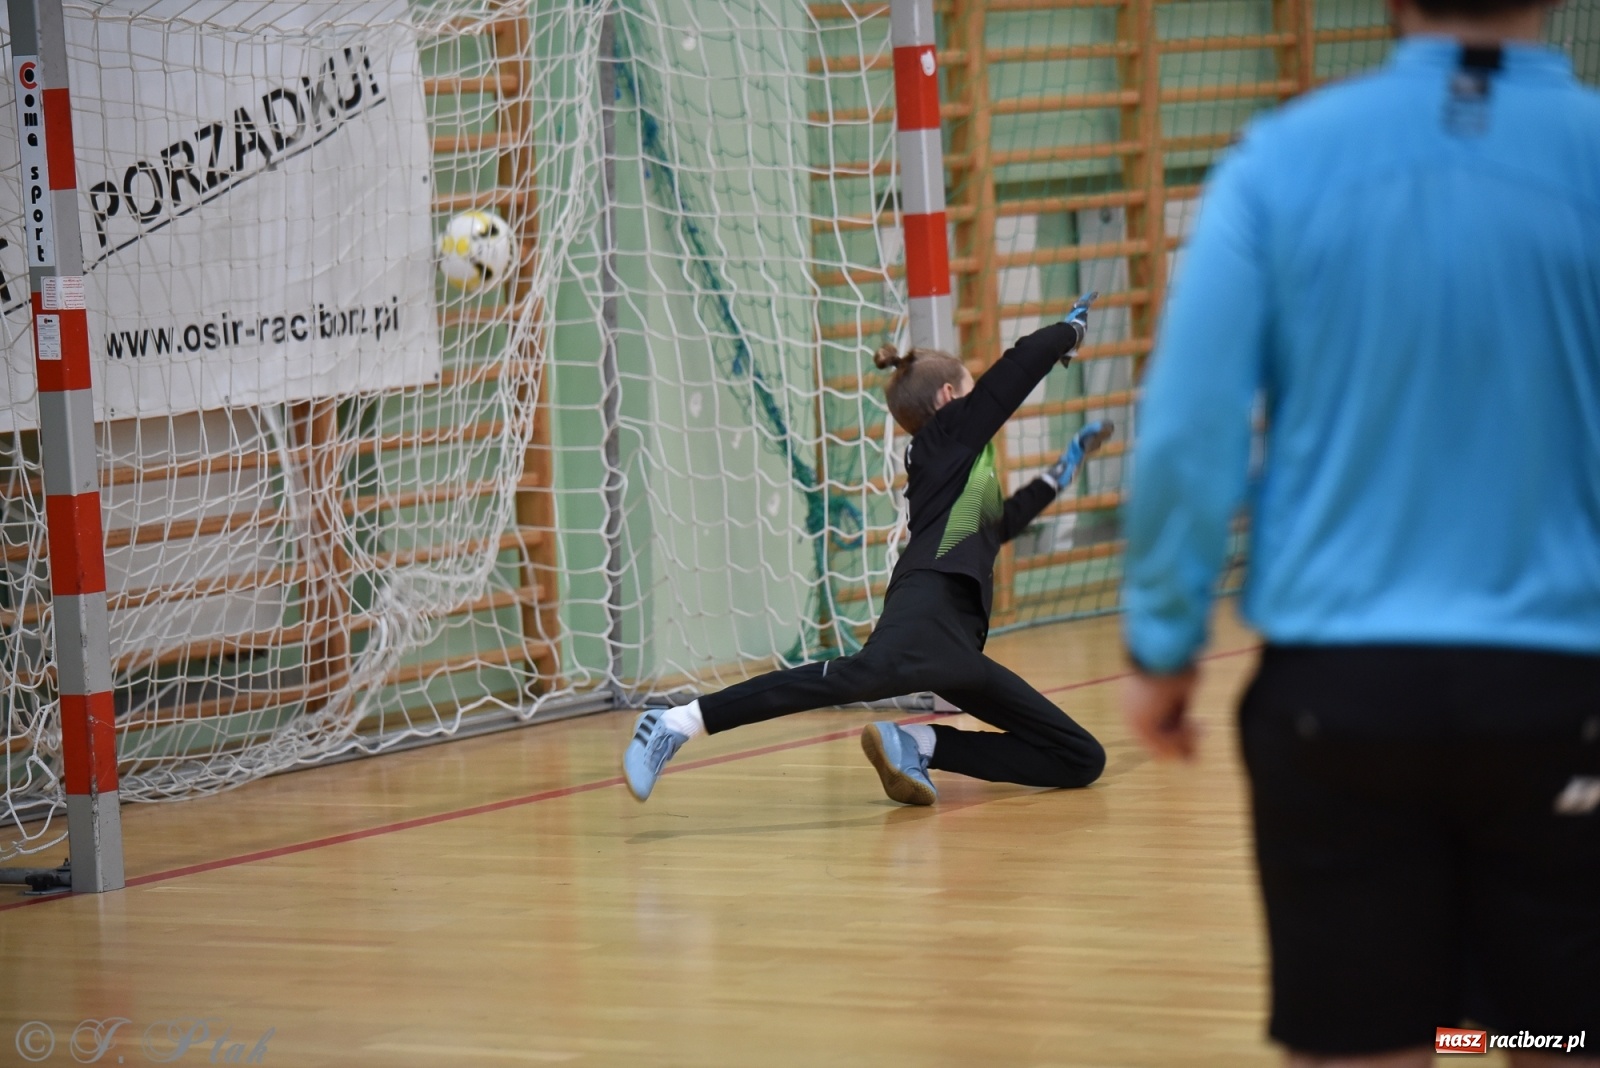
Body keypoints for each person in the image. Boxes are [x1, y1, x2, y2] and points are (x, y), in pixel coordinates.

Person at [1120, 0, 1600, 1062]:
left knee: (1362, 1044)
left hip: (1341, 703)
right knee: (1556, 1040)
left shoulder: (1281, 163)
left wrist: (1163, 645)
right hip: (1563, 698)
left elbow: (1189, 428)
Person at [623, 297, 1111, 806]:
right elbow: (1021, 363)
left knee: (1080, 757)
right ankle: (676, 721)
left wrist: (1060, 473)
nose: (978, 401)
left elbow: (998, 525)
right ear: (949, 397)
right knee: (846, 679)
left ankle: (919, 743)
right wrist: (1068, 333)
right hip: (928, 608)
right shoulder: (949, 435)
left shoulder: (957, 468)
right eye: (969, 391)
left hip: (957, 641)